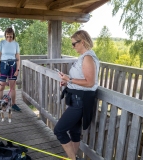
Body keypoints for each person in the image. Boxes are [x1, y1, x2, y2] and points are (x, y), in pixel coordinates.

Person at [54, 30, 100, 160]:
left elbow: (90, 82)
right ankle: (72, 157)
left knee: (59, 130)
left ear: (82, 42)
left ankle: (72, 159)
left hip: (80, 101)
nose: (72, 47)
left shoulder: (88, 58)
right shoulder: (84, 57)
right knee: (74, 132)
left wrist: (69, 80)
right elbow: (81, 79)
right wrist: (67, 81)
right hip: (76, 98)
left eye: (74, 44)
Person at [0, 27, 21, 115]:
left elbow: (18, 58)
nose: (9, 38)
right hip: (3, 65)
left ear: (13, 35)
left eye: (10, 36)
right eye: (7, 36)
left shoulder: (16, 44)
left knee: (12, 87)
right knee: (1, 86)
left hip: (13, 65)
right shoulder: (1, 43)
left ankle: (13, 104)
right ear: (5, 36)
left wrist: (17, 69)